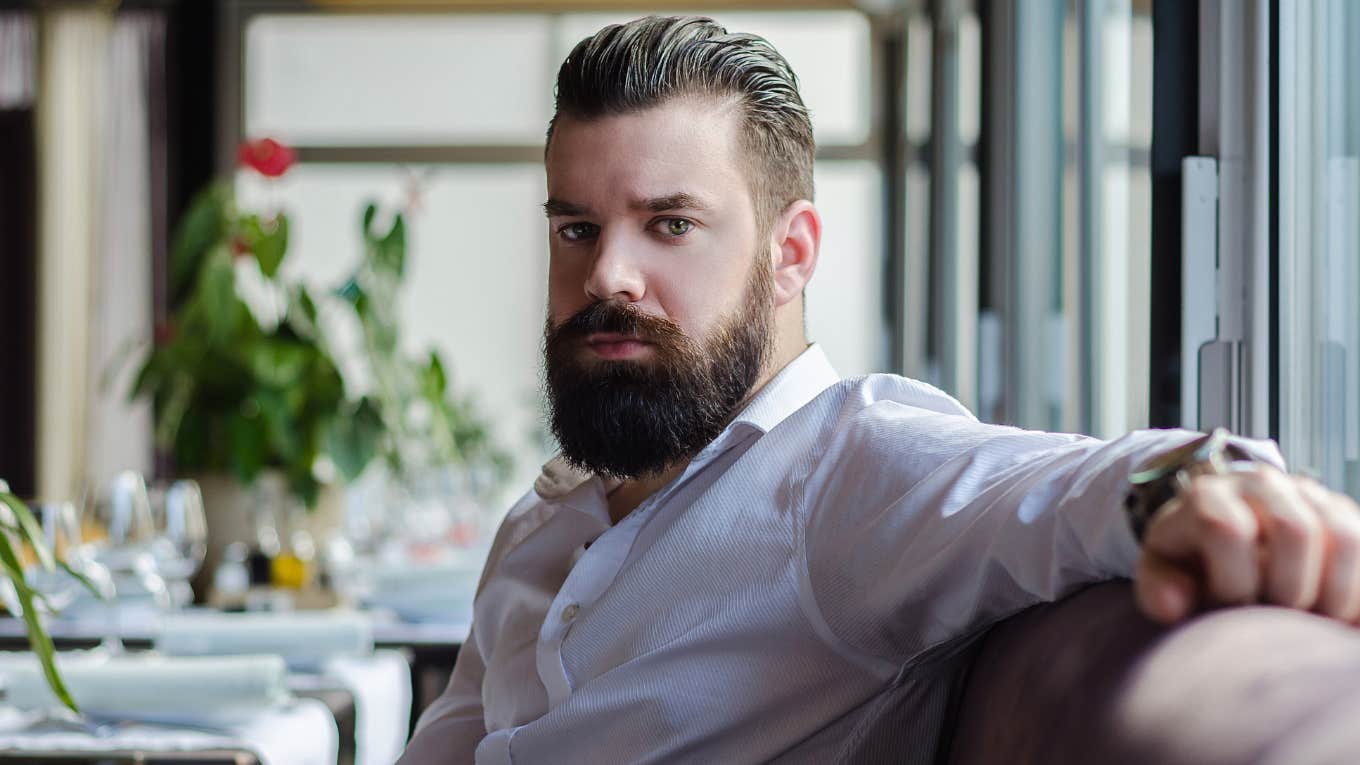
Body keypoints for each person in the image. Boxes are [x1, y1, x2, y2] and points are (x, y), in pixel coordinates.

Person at [398, 15, 1360, 764]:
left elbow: (1056, 489)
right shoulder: (547, 517)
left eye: (671, 225)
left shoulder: (842, 478)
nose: (607, 274)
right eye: (576, 229)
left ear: (792, 252)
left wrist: (1219, 496)